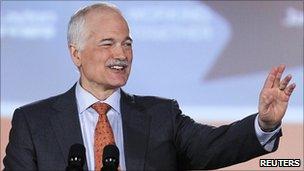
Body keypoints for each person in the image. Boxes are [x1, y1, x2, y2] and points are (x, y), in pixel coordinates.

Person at [3, 2, 296, 171]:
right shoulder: (33, 122)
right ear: (76, 53)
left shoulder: (161, 116)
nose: (121, 55)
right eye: (108, 44)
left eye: (127, 44)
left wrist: (265, 124)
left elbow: (214, 147)